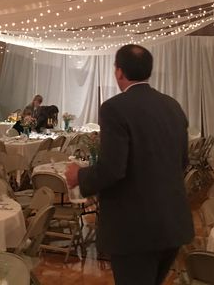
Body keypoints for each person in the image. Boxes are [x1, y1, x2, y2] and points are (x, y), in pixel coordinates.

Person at [65, 44, 193, 285]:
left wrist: (79, 177)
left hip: (135, 229)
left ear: (119, 72)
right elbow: (183, 161)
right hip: (173, 223)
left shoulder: (115, 108)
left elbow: (113, 169)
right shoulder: (172, 106)